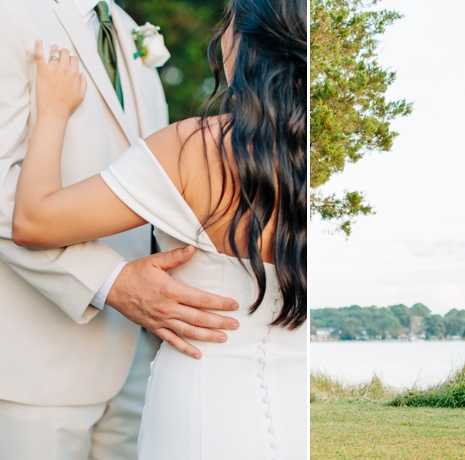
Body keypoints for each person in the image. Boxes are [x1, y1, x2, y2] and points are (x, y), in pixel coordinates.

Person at [10, 0, 307, 458]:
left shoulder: (194, 142)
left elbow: (35, 216)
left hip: (165, 370)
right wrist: (112, 282)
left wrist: (53, 114)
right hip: (46, 364)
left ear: (245, 40)